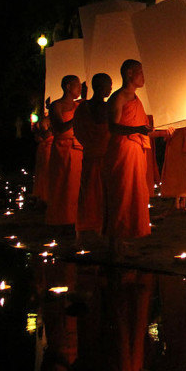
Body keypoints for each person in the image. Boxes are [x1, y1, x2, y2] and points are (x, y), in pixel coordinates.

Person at [103, 59, 173, 260]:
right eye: (140, 72)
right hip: (121, 152)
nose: (143, 77)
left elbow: (143, 130)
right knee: (120, 195)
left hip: (136, 152)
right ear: (129, 74)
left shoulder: (136, 99)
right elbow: (113, 127)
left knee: (132, 195)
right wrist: (137, 130)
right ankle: (113, 244)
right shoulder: (118, 98)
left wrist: (162, 133)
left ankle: (121, 241)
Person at [74, 73, 113, 243]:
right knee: (102, 194)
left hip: (90, 154)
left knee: (89, 192)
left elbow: (78, 131)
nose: (111, 89)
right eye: (108, 85)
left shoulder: (83, 108)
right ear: (101, 87)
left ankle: (89, 228)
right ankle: (98, 227)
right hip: (102, 155)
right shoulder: (106, 108)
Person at [45, 75, 85, 230]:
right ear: (68, 87)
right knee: (62, 183)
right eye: (78, 86)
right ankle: (60, 218)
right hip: (62, 148)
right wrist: (77, 118)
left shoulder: (78, 105)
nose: (80, 89)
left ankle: (75, 217)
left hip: (77, 147)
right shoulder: (57, 105)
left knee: (75, 184)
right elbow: (60, 128)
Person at [31, 108, 53, 207]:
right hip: (47, 146)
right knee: (46, 172)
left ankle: (42, 196)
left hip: (45, 146)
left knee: (43, 172)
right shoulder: (46, 121)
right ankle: (45, 196)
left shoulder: (41, 121)